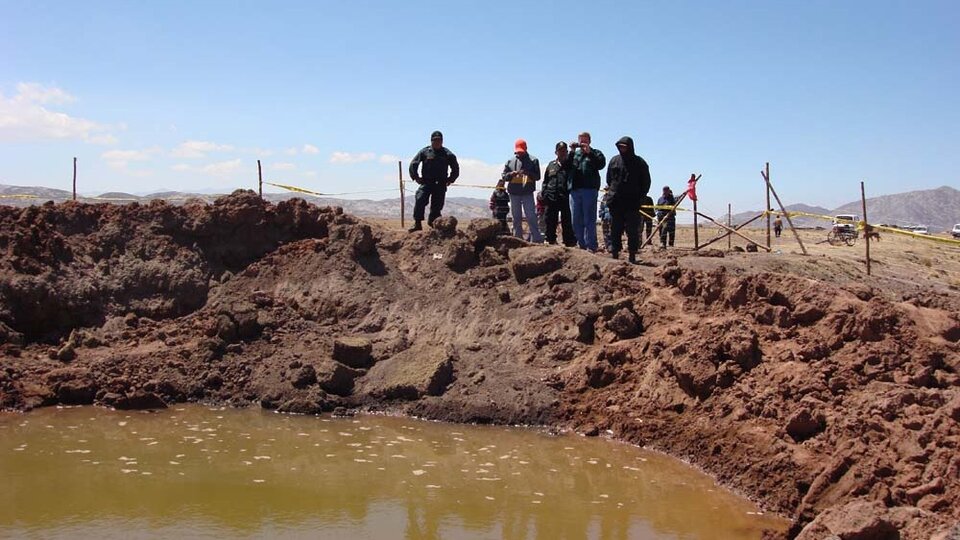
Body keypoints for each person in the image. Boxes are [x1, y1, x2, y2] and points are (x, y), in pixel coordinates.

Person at [605, 136, 651, 263]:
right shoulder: (614, 161)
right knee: (615, 228)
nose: (622, 149)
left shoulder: (640, 163)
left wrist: (641, 197)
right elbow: (609, 179)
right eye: (620, 147)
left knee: (632, 230)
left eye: (624, 147)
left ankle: (632, 255)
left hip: (632, 202)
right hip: (616, 201)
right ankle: (615, 252)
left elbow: (646, 182)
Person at [408, 130, 460, 232]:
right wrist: (416, 177)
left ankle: (433, 223)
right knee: (420, 199)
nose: (437, 142)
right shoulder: (425, 151)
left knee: (437, 205)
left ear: (442, 141)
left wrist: (451, 179)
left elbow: (455, 168)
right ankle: (417, 223)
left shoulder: (447, 154)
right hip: (427, 182)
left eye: (439, 140)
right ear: (431, 141)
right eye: (435, 140)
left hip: (440, 183)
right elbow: (414, 163)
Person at [566, 132, 606, 252]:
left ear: (589, 141)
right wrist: (572, 151)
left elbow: (601, 164)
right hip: (575, 191)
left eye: (585, 141)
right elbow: (566, 166)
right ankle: (581, 244)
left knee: (589, 219)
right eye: (581, 141)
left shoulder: (596, 153)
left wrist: (590, 153)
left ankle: (591, 246)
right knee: (575, 219)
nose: (583, 143)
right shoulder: (574, 154)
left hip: (589, 190)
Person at [501, 139, 542, 243]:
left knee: (531, 216)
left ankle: (536, 239)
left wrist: (528, 173)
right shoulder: (510, 161)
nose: (519, 153)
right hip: (514, 193)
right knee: (516, 217)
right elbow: (504, 176)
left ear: (526, 149)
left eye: (521, 151)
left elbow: (537, 176)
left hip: (527, 193)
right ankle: (517, 239)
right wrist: (511, 174)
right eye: (517, 152)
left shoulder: (533, 160)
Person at [540, 141, 577, 246]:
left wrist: (573, 150)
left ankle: (569, 242)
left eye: (564, 151)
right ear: (556, 152)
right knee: (550, 220)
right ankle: (550, 239)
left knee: (566, 220)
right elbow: (545, 180)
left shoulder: (569, 163)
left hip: (564, 196)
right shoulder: (551, 165)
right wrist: (544, 192)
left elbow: (571, 159)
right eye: (560, 151)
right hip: (551, 197)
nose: (562, 153)